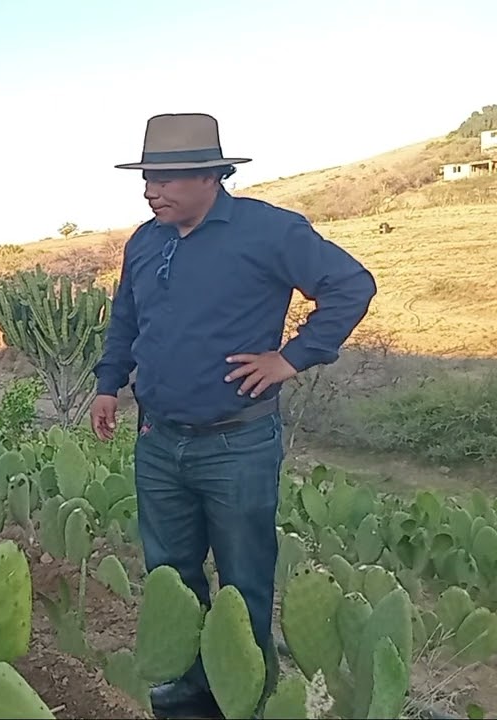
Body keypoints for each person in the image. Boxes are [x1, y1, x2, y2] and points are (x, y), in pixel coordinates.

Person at [89, 113, 377, 719]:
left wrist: (291, 358)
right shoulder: (146, 241)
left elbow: (351, 285)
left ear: (211, 177)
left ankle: (247, 694)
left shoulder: (270, 232)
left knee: (245, 578)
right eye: (146, 178)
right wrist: (109, 384)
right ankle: (183, 688)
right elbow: (127, 322)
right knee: (171, 572)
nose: (150, 191)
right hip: (159, 441)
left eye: (165, 180)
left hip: (237, 443)